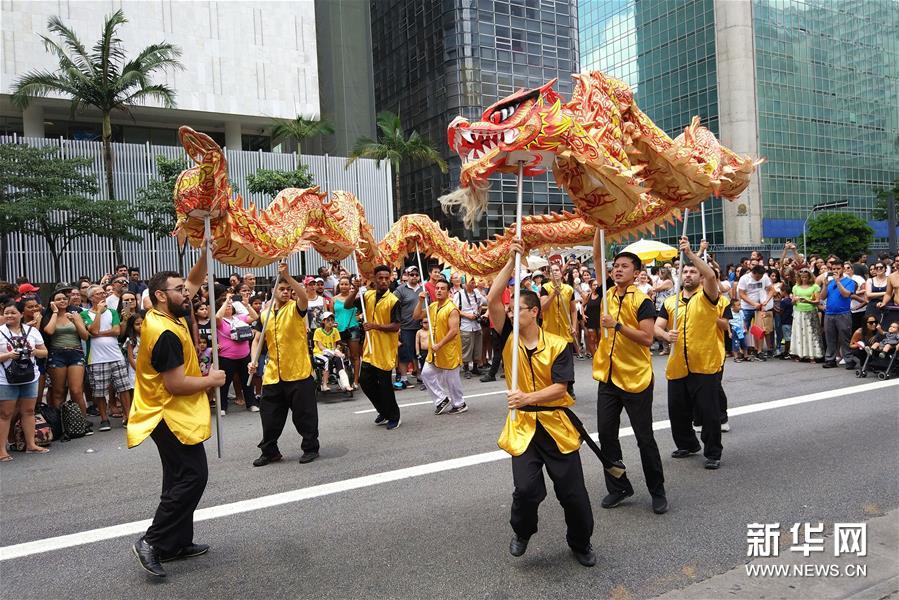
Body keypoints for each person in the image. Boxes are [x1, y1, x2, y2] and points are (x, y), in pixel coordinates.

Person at [487, 241, 597, 567]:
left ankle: (581, 542)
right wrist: (511, 261)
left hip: (555, 424)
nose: (510, 312)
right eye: (510, 310)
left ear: (534, 311)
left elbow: (561, 388)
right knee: (525, 491)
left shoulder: (559, 344)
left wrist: (526, 398)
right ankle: (522, 531)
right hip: (522, 427)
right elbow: (493, 297)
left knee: (573, 493)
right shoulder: (507, 336)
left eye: (517, 309)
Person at [128, 257, 227, 577]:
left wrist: (204, 248)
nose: (189, 294)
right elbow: (176, 384)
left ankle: (177, 543)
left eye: (186, 289)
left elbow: (195, 279)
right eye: (180, 290)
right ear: (160, 294)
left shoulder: (168, 312)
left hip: (171, 412)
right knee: (192, 477)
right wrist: (212, 381)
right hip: (165, 413)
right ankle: (152, 541)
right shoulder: (163, 330)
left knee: (177, 478)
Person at [591, 230, 667, 514]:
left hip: (636, 378)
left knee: (644, 437)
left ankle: (657, 491)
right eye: (616, 266)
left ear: (637, 273)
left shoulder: (643, 301)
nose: (617, 269)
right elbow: (598, 256)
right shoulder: (608, 294)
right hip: (608, 378)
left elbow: (648, 339)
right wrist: (598, 227)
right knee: (606, 436)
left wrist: (618, 326)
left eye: (625, 266)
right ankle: (620, 487)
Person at [654, 238, 724, 470]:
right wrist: (665, 336)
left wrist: (691, 254)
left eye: (693, 271)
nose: (688, 274)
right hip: (677, 364)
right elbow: (657, 326)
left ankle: (713, 452)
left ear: (700, 277)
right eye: (685, 271)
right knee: (677, 409)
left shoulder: (708, 296)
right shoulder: (671, 301)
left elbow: (712, 277)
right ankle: (687, 444)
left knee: (708, 411)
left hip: (704, 363)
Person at [248, 262, 319, 466]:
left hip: (298, 371)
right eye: (282, 288)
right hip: (273, 373)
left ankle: (310, 447)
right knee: (269, 416)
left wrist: (287, 276)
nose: (286, 292)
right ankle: (270, 451)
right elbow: (257, 340)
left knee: (304, 415)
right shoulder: (265, 314)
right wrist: (253, 360)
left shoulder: (297, 308)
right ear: (273, 291)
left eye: (288, 289)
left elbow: (304, 297)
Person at [0, 300, 50, 461]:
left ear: (21, 314)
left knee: (28, 411)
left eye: (13, 313)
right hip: (6, 378)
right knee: (5, 413)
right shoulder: (0, 332)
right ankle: (2, 450)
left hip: (30, 376)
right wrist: (9, 355)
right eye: (6, 313)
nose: (9, 315)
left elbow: (45, 352)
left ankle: (31, 444)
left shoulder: (32, 331)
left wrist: (33, 351)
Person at [355, 265, 403, 430]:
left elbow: (396, 326)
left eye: (386, 278)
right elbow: (348, 305)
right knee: (365, 382)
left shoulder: (394, 300)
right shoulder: (366, 296)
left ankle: (394, 416)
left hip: (385, 351)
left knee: (385, 385)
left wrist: (375, 326)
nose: (383, 281)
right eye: (380, 278)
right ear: (375, 279)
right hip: (370, 349)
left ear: (390, 279)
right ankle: (383, 410)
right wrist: (355, 289)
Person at [82, 285, 132, 431]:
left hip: (115, 355)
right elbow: (93, 329)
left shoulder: (112, 312)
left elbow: (116, 331)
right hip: (96, 358)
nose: (103, 295)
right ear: (91, 298)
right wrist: (98, 312)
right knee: (99, 391)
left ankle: (128, 416)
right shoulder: (85, 314)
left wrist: (97, 333)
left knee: (123, 387)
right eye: (99, 294)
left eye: (103, 293)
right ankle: (104, 419)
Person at [415, 279, 466, 415]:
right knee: (426, 373)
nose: (438, 290)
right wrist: (420, 301)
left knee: (451, 380)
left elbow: (453, 330)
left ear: (449, 292)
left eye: (442, 288)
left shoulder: (452, 308)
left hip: (449, 349)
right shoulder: (432, 306)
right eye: (437, 288)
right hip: (435, 350)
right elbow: (416, 316)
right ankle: (441, 399)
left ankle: (459, 403)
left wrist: (440, 344)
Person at [41, 286, 90, 415]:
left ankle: (82, 422)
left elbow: (85, 336)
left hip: (75, 353)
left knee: (76, 391)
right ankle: (60, 424)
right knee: (58, 392)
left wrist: (76, 321)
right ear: (52, 302)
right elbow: (49, 331)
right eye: (58, 299)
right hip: (57, 354)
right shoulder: (49, 316)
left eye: (64, 298)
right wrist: (55, 312)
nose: (62, 301)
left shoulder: (75, 314)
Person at [215, 292, 259, 414]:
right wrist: (226, 301)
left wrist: (247, 305)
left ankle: (251, 404)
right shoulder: (220, 321)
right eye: (226, 305)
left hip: (244, 354)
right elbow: (218, 317)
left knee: (247, 380)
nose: (229, 306)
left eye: (230, 305)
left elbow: (255, 317)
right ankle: (222, 407)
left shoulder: (239, 318)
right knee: (225, 382)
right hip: (226, 356)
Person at [818, 257, 857, 368]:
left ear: (843, 269)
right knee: (830, 337)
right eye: (833, 268)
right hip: (829, 313)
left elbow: (846, 294)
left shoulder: (849, 281)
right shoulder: (829, 282)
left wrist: (838, 282)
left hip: (843, 313)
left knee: (845, 337)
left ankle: (849, 360)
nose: (835, 270)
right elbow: (822, 296)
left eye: (838, 268)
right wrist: (825, 285)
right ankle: (830, 359)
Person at [392, 266, 423, 390]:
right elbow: (392, 306)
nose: (414, 277)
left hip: (421, 327)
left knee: (420, 353)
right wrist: (397, 324)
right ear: (407, 275)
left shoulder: (423, 289)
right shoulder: (400, 290)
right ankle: (404, 379)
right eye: (411, 274)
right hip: (406, 327)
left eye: (416, 274)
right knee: (404, 354)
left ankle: (420, 375)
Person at [737, 265, 775, 359]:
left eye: (761, 277)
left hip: (760, 307)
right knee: (744, 329)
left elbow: (771, 290)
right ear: (753, 273)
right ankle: (742, 351)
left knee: (760, 329)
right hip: (747, 307)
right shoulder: (744, 279)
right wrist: (753, 303)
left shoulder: (765, 277)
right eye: (758, 277)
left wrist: (767, 300)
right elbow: (741, 294)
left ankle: (759, 351)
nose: (759, 279)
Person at [333, 276, 363, 390]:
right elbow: (331, 315)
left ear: (350, 286)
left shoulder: (356, 298)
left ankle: (355, 380)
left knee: (355, 356)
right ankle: (343, 380)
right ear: (338, 286)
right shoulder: (334, 299)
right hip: (338, 330)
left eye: (346, 284)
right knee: (339, 356)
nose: (344, 286)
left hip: (352, 328)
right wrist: (333, 324)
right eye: (342, 284)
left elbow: (361, 312)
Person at [312, 312, 352, 392]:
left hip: (331, 352)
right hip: (320, 353)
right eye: (328, 320)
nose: (330, 322)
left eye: (332, 320)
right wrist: (331, 352)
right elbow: (320, 346)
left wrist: (336, 351)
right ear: (323, 321)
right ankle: (324, 384)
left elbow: (334, 345)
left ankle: (346, 384)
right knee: (327, 360)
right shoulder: (318, 331)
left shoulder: (335, 331)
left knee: (339, 360)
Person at [456, 275, 486, 378]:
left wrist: (478, 312)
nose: (473, 284)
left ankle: (475, 367)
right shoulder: (459, 294)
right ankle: (466, 368)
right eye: (471, 282)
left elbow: (483, 302)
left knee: (477, 346)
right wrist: (467, 315)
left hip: (476, 324)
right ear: (465, 283)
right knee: (466, 347)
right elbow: (455, 310)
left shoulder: (477, 293)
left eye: (474, 282)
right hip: (466, 324)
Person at [791, 269, 824, 362]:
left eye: (806, 277)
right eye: (802, 277)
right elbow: (792, 302)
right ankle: (799, 354)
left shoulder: (815, 287)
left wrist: (808, 301)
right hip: (798, 312)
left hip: (810, 311)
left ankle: (813, 355)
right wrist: (794, 300)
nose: (804, 279)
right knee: (799, 333)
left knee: (811, 333)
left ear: (809, 277)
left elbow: (817, 301)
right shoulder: (795, 287)